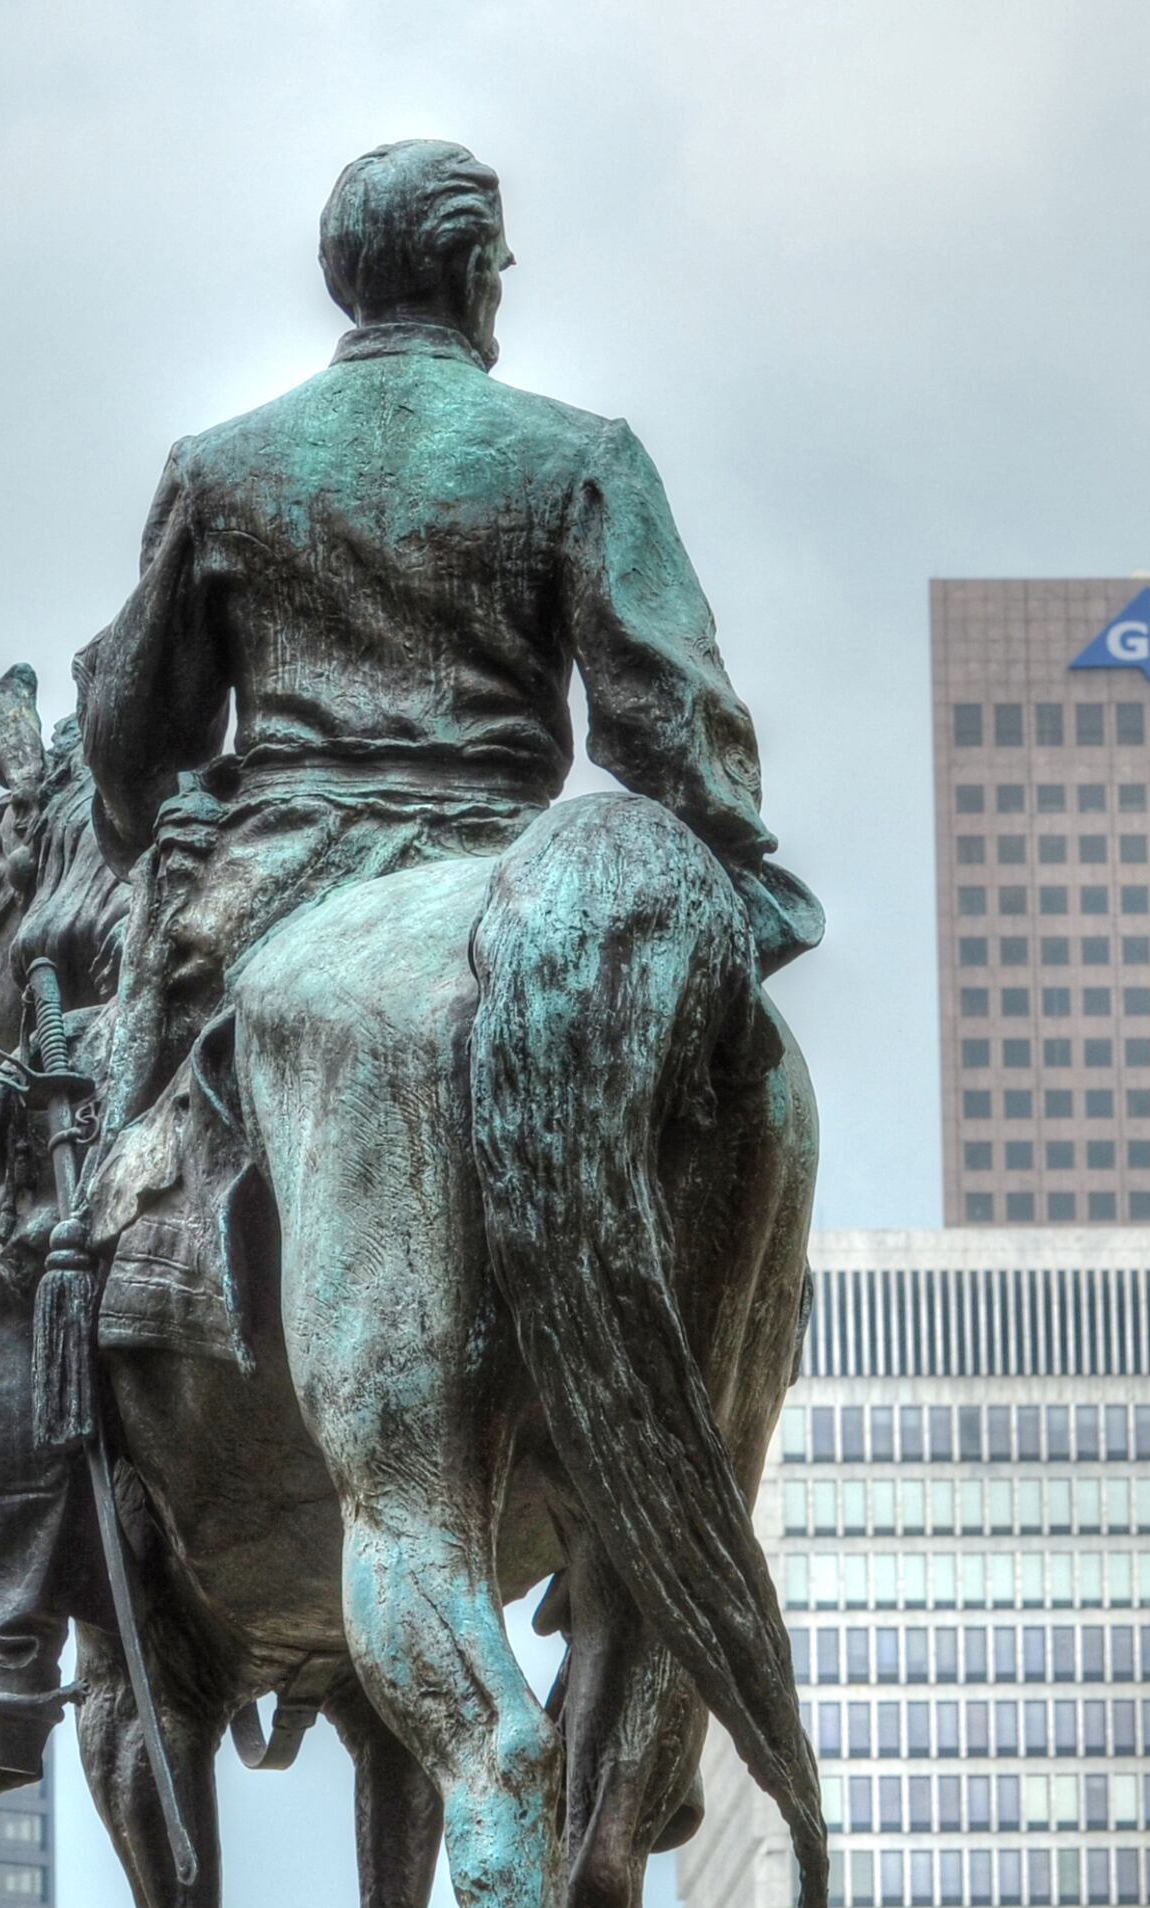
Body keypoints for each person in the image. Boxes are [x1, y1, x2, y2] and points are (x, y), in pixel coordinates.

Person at [63, 137, 819, 1353]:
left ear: (341, 277)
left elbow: (137, 744)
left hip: (271, 882)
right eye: (500, 268)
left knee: (78, 1197)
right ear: (473, 269)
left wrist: (146, 797)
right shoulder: (580, 457)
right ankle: (750, 1328)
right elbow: (674, 721)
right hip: (507, 875)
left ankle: (64, 1425)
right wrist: (735, 858)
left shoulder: (219, 469)